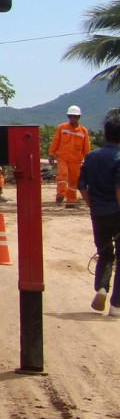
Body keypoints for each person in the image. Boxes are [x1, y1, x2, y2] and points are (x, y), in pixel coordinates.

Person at [79, 112, 120, 313]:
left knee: (105, 254)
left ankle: (102, 289)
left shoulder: (91, 156)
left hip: (99, 214)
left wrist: (92, 205)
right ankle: (116, 305)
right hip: (117, 213)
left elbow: (81, 186)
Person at [54, 105, 93, 205]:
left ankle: (71, 200)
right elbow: (55, 141)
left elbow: (86, 147)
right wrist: (51, 153)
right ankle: (60, 195)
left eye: (74, 116)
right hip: (62, 157)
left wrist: (88, 159)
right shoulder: (61, 128)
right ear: (68, 116)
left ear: (78, 117)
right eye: (70, 116)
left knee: (73, 180)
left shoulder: (83, 131)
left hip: (76, 160)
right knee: (63, 175)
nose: (72, 118)